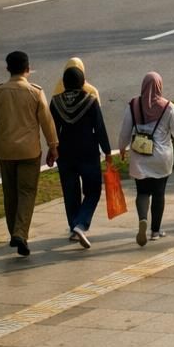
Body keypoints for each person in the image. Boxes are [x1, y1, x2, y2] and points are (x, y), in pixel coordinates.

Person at [0, 50, 58, 256]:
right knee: (27, 193)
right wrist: (53, 145)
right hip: (29, 151)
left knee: (10, 193)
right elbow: (47, 122)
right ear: (28, 69)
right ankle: (20, 233)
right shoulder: (35, 92)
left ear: (7, 69)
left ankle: (14, 232)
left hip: (5, 151)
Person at [118, 72, 174, 245]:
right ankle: (155, 231)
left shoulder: (134, 104)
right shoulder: (168, 107)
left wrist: (122, 148)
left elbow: (124, 131)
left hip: (139, 155)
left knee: (142, 191)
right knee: (159, 193)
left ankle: (143, 219)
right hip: (161, 156)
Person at [49, 64, 112, 248]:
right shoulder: (90, 101)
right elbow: (99, 128)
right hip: (88, 152)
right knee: (93, 190)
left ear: (64, 83)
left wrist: (52, 149)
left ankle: (73, 227)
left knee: (70, 192)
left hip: (64, 152)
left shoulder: (56, 102)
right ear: (83, 82)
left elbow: (52, 130)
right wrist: (107, 151)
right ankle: (81, 223)